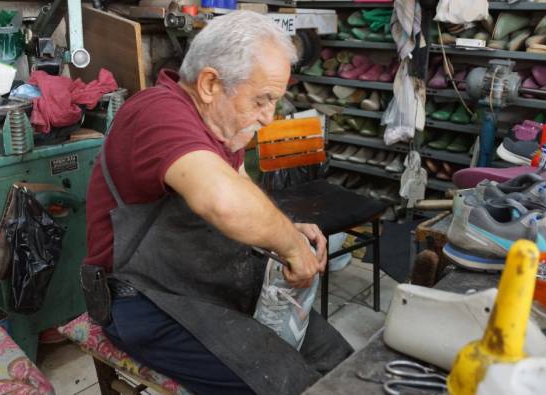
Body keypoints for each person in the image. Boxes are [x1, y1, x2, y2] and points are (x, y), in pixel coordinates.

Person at [83, 11, 353, 395]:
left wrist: (287, 228)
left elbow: (241, 193)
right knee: (286, 382)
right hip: (138, 301)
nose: (268, 117)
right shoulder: (158, 114)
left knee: (338, 360)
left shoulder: (219, 130)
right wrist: (292, 248)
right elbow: (224, 202)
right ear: (210, 83)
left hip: (195, 281)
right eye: (262, 100)